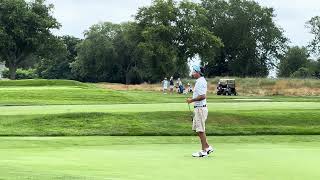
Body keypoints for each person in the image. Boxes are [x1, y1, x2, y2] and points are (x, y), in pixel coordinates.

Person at [186, 65, 214, 157]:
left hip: (200, 108)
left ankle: (204, 151)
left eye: (194, 71)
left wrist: (191, 100)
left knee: (201, 130)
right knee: (198, 130)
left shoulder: (201, 81)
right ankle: (207, 147)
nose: (192, 73)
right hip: (198, 108)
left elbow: (202, 96)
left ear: (198, 72)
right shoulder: (199, 81)